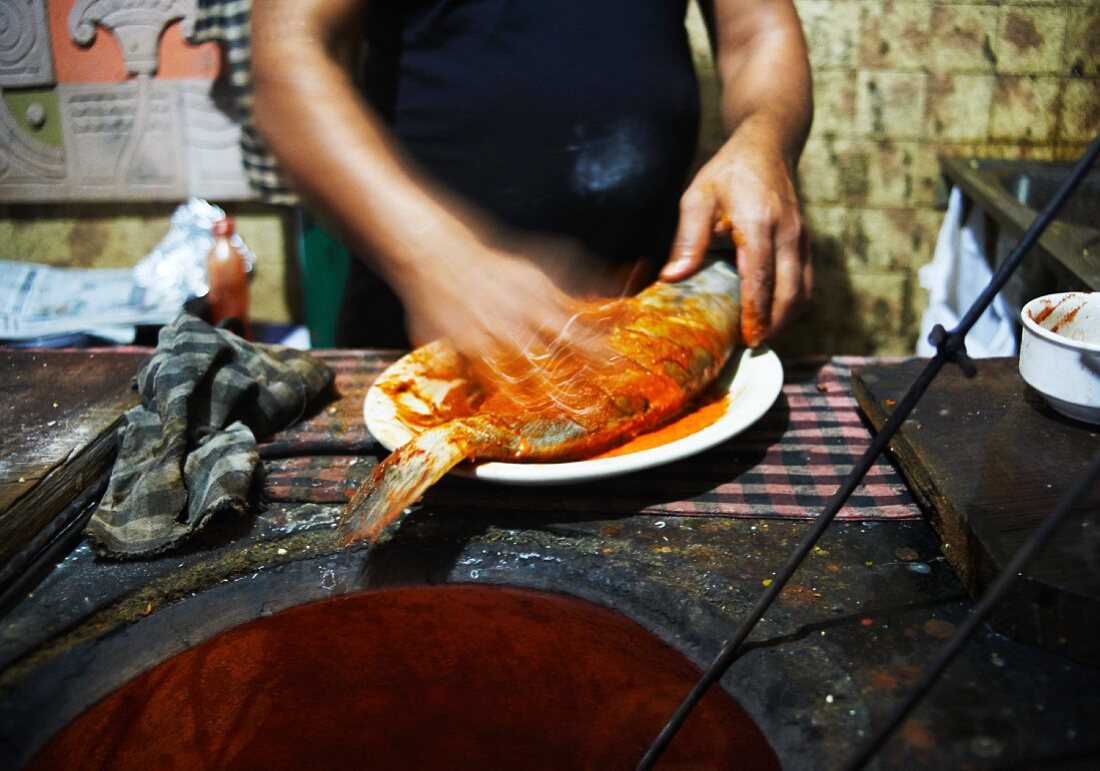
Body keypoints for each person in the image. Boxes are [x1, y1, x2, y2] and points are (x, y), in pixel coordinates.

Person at [251, 0, 812, 358]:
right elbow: (289, 50)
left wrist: (763, 140)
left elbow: (758, 31)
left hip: (644, 315)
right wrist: (437, 259)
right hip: (420, 322)